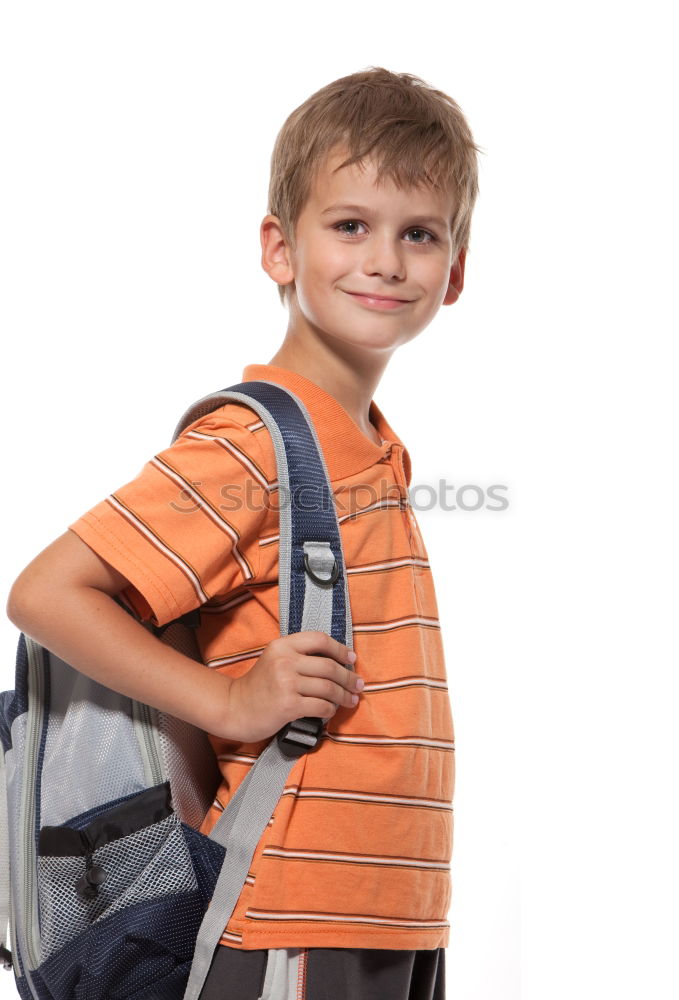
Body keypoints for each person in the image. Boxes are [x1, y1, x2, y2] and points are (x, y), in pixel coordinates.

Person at [7, 66, 480, 1000]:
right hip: (284, 919)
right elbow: (45, 592)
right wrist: (225, 705)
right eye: (349, 225)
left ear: (454, 271)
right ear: (279, 248)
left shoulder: (372, 452)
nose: (384, 259)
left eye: (417, 234)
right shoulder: (255, 449)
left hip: (393, 914)